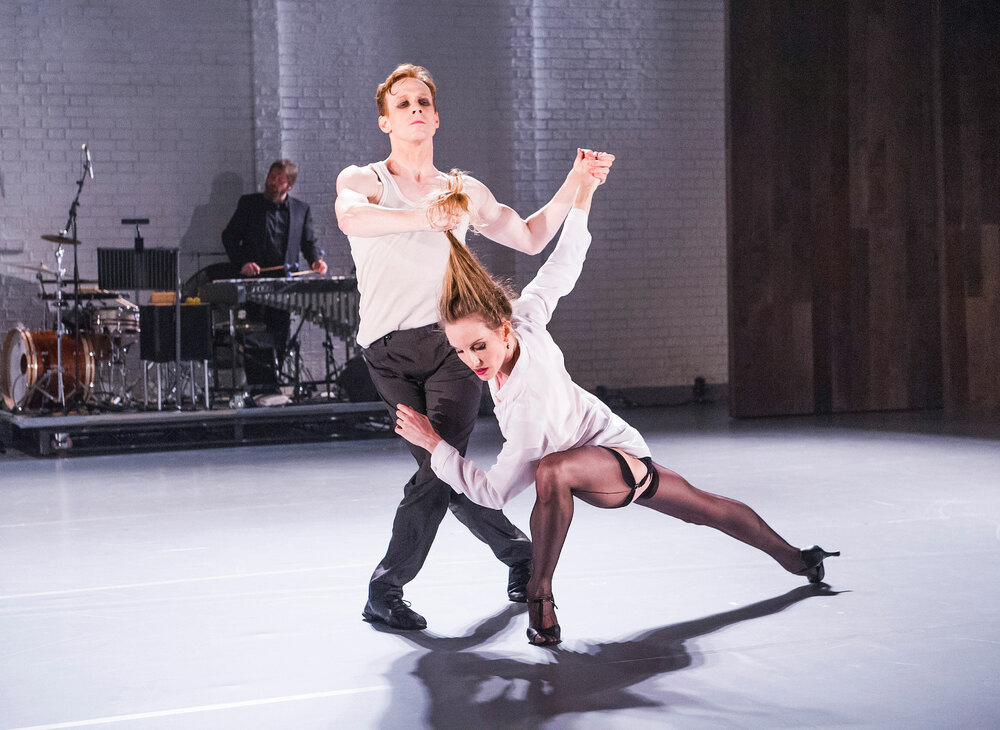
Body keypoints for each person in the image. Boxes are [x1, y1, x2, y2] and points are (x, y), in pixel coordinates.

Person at [394, 165, 840, 646]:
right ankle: (799, 559)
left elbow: (493, 494)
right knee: (699, 506)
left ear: (503, 330)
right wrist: (583, 194)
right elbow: (562, 267)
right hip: (587, 454)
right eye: (460, 351)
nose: (471, 361)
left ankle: (540, 596)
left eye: (478, 347)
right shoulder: (521, 321)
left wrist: (434, 443)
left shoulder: (528, 397)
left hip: (616, 458)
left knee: (560, 473)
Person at [335, 63, 613, 631]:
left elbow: (532, 236)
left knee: (441, 469)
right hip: (384, 354)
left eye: (422, 103)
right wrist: (422, 217)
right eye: (402, 104)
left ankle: (384, 589)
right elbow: (350, 218)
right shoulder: (365, 179)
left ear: (434, 117)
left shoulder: (463, 191)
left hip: (449, 352)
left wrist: (576, 183)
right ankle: (519, 555)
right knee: (442, 468)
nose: (414, 109)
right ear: (386, 121)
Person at [221, 159, 327, 388]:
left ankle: (275, 386)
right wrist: (243, 263)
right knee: (255, 337)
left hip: (284, 285)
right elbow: (229, 236)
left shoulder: (301, 209)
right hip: (254, 283)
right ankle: (260, 389)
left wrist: (316, 260)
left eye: (279, 180)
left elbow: (308, 242)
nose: (273, 183)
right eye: (271, 177)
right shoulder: (249, 204)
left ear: (290, 185)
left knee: (280, 334)